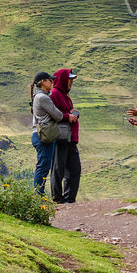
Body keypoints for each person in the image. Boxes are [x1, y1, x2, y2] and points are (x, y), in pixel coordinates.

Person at [29, 70, 71, 197]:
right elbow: (57, 115)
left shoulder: (38, 96)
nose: (52, 82)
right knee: (42, 167)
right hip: (44, 136)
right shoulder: (43, 98)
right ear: (43, 82)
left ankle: (39, 195)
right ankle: (38, 196)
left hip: (40, 134)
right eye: (50, 80)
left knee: (43, 166)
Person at [49, 68, 82, 203]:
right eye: (69, 79)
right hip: (60, 138)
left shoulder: (65, 96)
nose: (71, 82)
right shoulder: (54, 94)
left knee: (74, 169)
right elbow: (51, 113)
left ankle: (69, 198)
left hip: (70, 138)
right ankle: (58, 198)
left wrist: (72, 113)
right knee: (58, 168)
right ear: (62, 79)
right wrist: (68, 116)